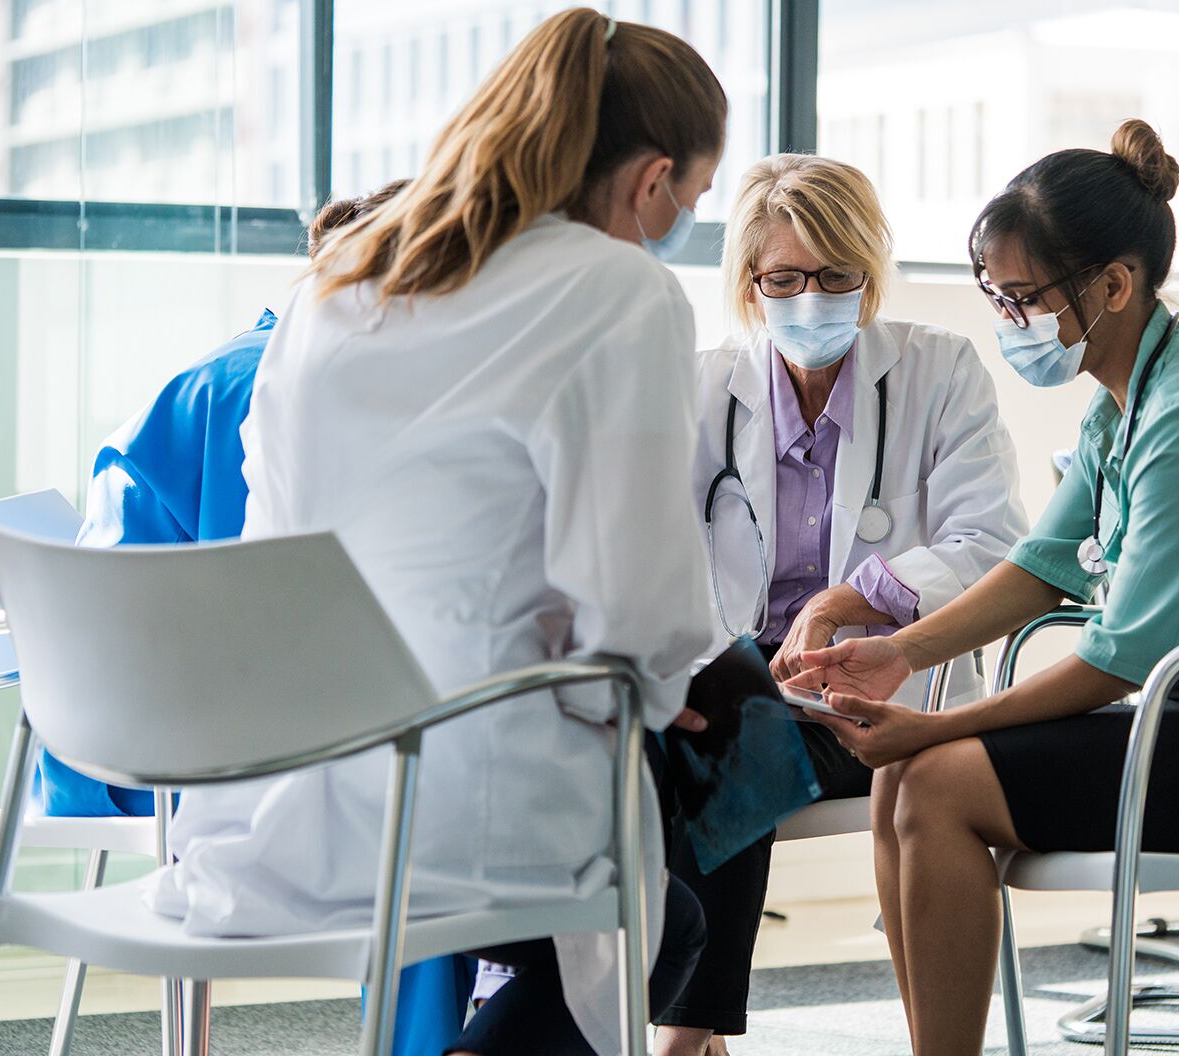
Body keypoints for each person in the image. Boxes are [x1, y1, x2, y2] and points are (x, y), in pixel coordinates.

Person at [143, 10, 728, 1056]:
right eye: (689, 199)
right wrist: (651, 687)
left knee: (618, 903)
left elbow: (273, 535)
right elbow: (641, 606)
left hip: (276, 776)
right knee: (669, 912)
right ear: (651, 182)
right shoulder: (618, 289)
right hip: (464, 781)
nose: (678, 219)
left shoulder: (341, 279)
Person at [780, 120, 1179, 1056]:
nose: (1008, 319)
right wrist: (900, 651)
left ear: (1114, 285)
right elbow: (1040, 569)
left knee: (933, 776)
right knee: (904, 772)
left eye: (1023, 297)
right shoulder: (1126, 405)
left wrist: (940, 724)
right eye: (998, 296)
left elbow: (1126, 653)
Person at [68, 181, 475, 1056]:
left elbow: (104, 596)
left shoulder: (191, 385)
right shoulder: (356, 398)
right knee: (437, 811)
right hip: (245, 765)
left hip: (100, 746)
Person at [654, 153, 1026, 1056]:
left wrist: (846, 600)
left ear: (872, 272)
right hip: (740, 685)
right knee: (690, 722)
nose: (810, 298)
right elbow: (654, 556)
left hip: (876, 704)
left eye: (835, 276)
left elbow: (994, 544)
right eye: (783, 278)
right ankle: (652, 1027)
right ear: (749, 282)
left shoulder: (940, 373)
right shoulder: (704, 388)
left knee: (730, 732)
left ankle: (684, 1038)